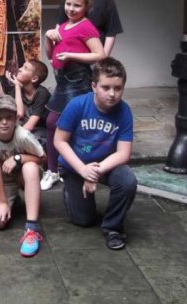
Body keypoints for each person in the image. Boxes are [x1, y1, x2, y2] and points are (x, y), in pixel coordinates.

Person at [53, 57, 137, 251]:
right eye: (106, 87)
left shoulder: (124, 111)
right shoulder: (77, 105)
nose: (112, 94)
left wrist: (94, 173)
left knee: (127, 180)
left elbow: (123, 154)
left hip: (105, 165)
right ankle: (71, 192)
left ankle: (113, 228)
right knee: (84, 220)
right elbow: (59, 140)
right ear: (94, 86)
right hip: (75, 165)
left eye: (118, 88)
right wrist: (83, 170)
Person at [43, 0, 104, 191]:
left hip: (77, 80)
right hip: (62, 81)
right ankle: (55, 170)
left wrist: (71, 56)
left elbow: (99, 54)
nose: (71, 8)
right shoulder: (63, 26)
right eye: (68, 4)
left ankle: (70, 169)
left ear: (86, 7)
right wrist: (48, 37)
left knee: (68, 125)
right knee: (54, 123)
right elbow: (50, 55)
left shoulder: (86, 26)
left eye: (77, 5)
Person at [0, 95, 46, 258]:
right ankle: (12, 200)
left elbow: (43, 159)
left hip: (25, 174)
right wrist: (2, 202)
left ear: (16, 118)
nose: (4, 122)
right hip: (5, 179)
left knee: (30, 168)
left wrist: (18, 158)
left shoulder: (23, 135)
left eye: (9, 117)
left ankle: (32, 228)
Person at [5, 59, 51, 145]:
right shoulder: (17, 90)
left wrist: (12, 140)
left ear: (34, 79)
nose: (20, 69)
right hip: (23, 128)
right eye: (22, 66)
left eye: (25, 68)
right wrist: (17, 87)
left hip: (40, 131)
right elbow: (19, 114)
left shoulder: (42, 93)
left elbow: (30, 125)